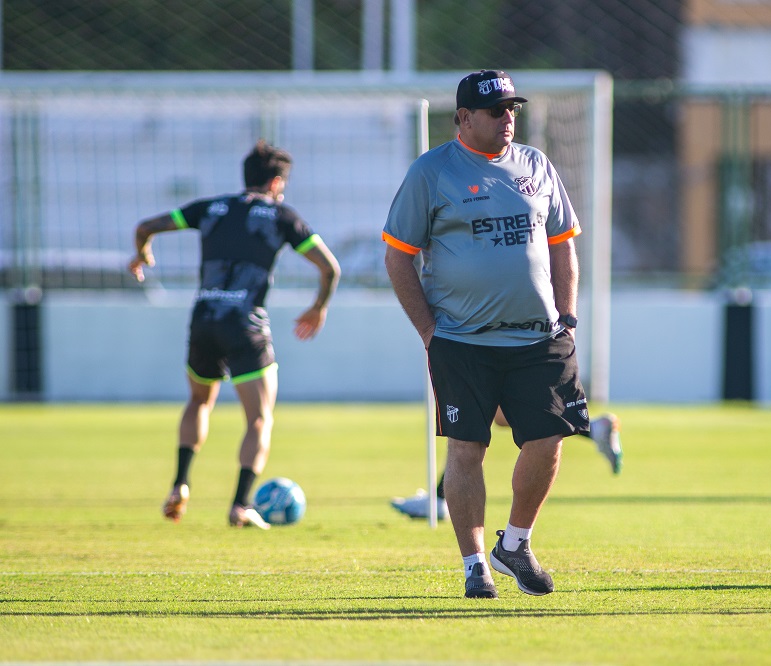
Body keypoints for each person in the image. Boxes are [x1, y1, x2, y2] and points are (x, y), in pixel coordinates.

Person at [382, 70, 589, 599]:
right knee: (467, 449)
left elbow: (563, 241)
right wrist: (429, 331)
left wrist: (566, 314)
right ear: (464, 118)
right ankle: (476, 564)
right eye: (496, 111)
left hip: (539, 338)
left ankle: (515, 544)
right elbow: (398, 257)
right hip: (462, 341)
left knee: (548, 440)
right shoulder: (431, 172)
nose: (508, 119)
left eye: (512, 109)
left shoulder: (536, 164)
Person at [129, 140, 340, 530]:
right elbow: (330, 267)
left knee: (198, 401)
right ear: (276, 183)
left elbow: (145, 227)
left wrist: (142, 254)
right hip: (245, 323)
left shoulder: (209, 208)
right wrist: (318, 307)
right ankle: (240, 505)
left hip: (204, 317)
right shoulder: (281, 216)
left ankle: (180, 483)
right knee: (258, 419)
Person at [390, 408, 622, 521]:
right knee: (497, 415)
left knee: (486, 409)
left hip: (506, 329)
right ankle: (440, 497)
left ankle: (440, 499)